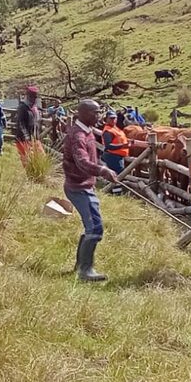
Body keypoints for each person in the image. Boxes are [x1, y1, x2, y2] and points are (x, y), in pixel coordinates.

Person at [63, 99, 121, 282]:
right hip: (78, 186)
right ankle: (85, 271)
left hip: (84, 185)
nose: (99, 116)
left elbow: (90, 159)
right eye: (95, 113)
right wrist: (103, 170)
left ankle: (80, 266)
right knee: (95, 228)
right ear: (84, 113)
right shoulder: (79, 135)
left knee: (91, 226)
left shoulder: (86, 132)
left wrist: (101, 168)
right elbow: (82, 162)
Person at [13, 85, 44, 164]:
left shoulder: (35, 108)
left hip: (35, 138)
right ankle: (30, 176)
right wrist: (26, 136)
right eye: (32, 97)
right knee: (27, 161)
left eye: (35, 97)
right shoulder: (22, 107)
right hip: (24, 139)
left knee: (41, 157)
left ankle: (38, 175)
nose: (34, 99)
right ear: (28, 96)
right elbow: (20, 123)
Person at [100, 109, 129, 192]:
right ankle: (117, 193)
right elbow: (108, 146)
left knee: (117, 174)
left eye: (114, 118)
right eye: (111, 118)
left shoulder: (115, 128)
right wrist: (123, 145)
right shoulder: (107, 131)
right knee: (117, 175)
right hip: (113, 156)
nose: (113, 120)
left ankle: (114, 191)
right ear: (106, 119)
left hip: (117, 155)